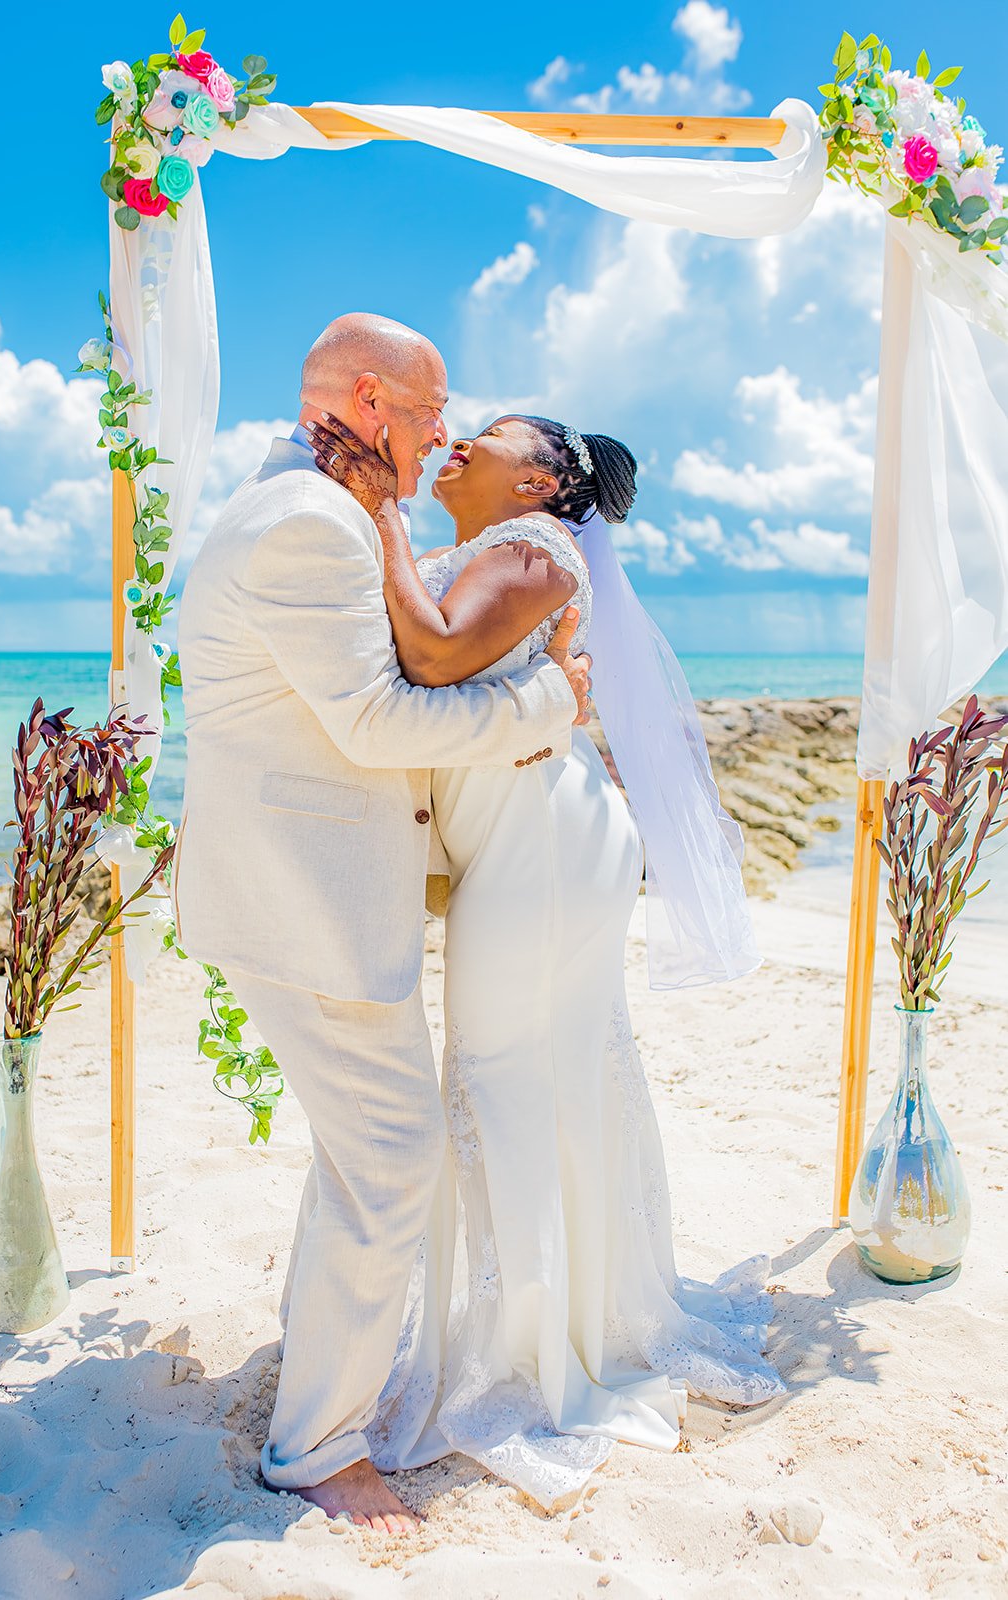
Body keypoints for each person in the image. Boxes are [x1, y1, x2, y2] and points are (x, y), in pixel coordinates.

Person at [309, 409, 783, 1510]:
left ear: (541, 484)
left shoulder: (536, 552)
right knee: (543, 1073)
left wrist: (379, 510)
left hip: (542, 845)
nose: (459, 442)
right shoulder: (496, 551)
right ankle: (559, 1308)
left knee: (499, 1076)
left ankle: (527, 1345)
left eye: (489, 436)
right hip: (530, 835)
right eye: (459, 430)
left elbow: (430, 652)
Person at [174, 316, 594, 1534]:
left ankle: (320, 1388)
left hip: (297, 886)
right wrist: (542, 706)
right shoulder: (310, 520)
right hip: (306, 897)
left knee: (364, 1154)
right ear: (368, 398)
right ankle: (315, 1447)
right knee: (392, 1155)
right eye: (425, 413)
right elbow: (376, 724)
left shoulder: (303, 499)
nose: (437, 435)